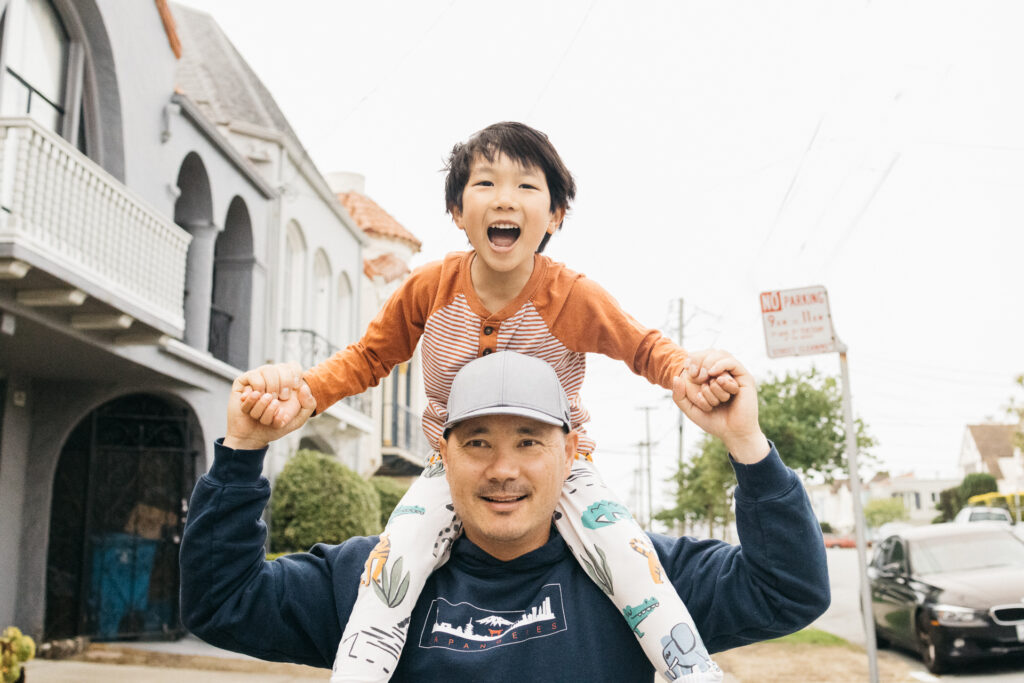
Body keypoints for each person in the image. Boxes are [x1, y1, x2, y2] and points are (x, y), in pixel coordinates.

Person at [239, 121, 737, 682]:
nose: (505, 198)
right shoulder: (429, 288)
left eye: (527, 186)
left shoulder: (571, 295)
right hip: (453, 464)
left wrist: (685, 374)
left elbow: (644, 347)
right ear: (457, 210)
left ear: (554, 217)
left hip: (563, 469)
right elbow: (368, 357)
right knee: (389, 570)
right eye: (485, 184)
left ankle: (695, 673)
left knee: (632, 563)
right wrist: (308, 392)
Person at [180, 350, 830, 682]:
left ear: (571, 451)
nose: (503, 469)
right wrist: (243, 449)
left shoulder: (643, 577)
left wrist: (748, 445)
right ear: (444, 453)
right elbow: (222, 601)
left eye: (528, 440)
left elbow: (790, 590)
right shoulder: (372, 581)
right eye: (478, 441)